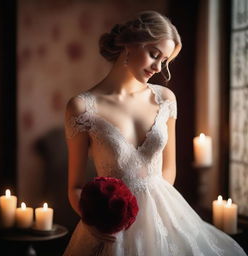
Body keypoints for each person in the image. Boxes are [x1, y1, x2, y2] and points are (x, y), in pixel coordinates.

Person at [63, 10, 247, 256]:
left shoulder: (165, 99)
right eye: (154, 55)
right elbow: (75, 186)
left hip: (164, 215)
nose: (158, 67)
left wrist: (150, 217)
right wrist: (96, 222)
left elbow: (168, 170)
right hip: (110, 228)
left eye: (164, 61)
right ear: (130, 44)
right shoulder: (81, 107)